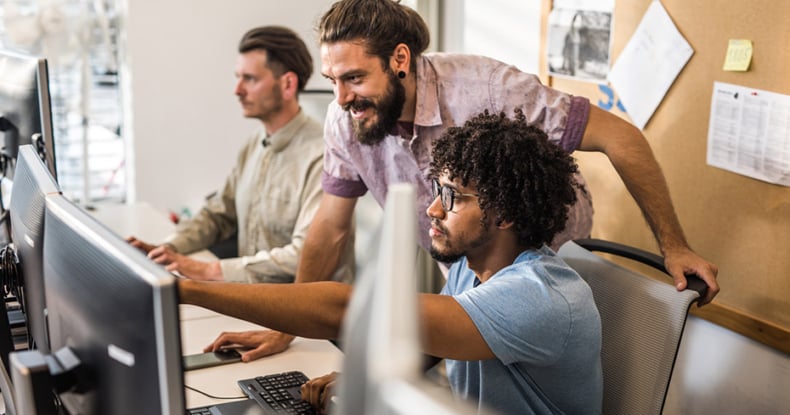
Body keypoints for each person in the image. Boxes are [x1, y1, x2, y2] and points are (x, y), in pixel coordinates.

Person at [209, 0, 718, 358]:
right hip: (464, 270)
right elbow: (330, 226)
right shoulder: (348, 120)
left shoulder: (489, 90)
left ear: (400, 60)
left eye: (355, 78)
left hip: (546, 271)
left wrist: (673, 245)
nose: (341, 98)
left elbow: (621, 138)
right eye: (332, 81)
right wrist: (286, 327)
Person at [182, 110, 603, 414]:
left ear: (506, 212)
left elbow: (347, 309)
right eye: (437, 189)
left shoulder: (536, 297)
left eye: (452, 196)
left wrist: (188, 291)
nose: (433, 209)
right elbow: (432, 343)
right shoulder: (471, 264)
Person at [128, 26, 355, 358]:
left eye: (249, 79)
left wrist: (207, 271)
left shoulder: (322, 153)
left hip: (310, 330)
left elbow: (300, 253)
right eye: (238, 77)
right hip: (256, 308)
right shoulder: (256, 142)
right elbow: (221, 211)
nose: (237, 89)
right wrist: (167, 250)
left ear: (288, 84)